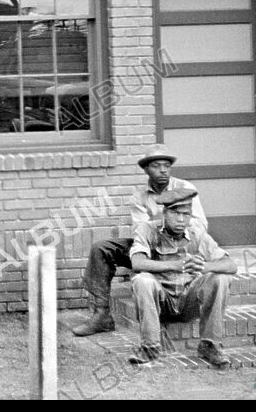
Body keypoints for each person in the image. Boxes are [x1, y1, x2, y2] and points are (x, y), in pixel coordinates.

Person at [72, 144, 208, 336]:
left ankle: (159, 298)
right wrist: (160, 227)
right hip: (152, 246)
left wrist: (172, 223)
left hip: (181, 247)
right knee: (101, 248)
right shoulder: (140, 196)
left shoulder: (185, 188)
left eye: (167, 166)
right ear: (145, 169)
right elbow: (141, 230)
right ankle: (102, 314)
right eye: (156, 166)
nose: (163, 170)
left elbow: (200, 225)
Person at [128, 189, 235, 368]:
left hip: (188, 301)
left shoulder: (196, 234)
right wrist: (176, 264)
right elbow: (137, 262)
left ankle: (210, 345)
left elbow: (231, 265)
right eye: (175, 213)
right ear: (165, 213)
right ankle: (150, 347)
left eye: (185, 214)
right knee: (142, 280)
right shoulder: (147, 230)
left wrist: (204, 267)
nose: (180, 220)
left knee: (220, 278)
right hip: (161, 303)